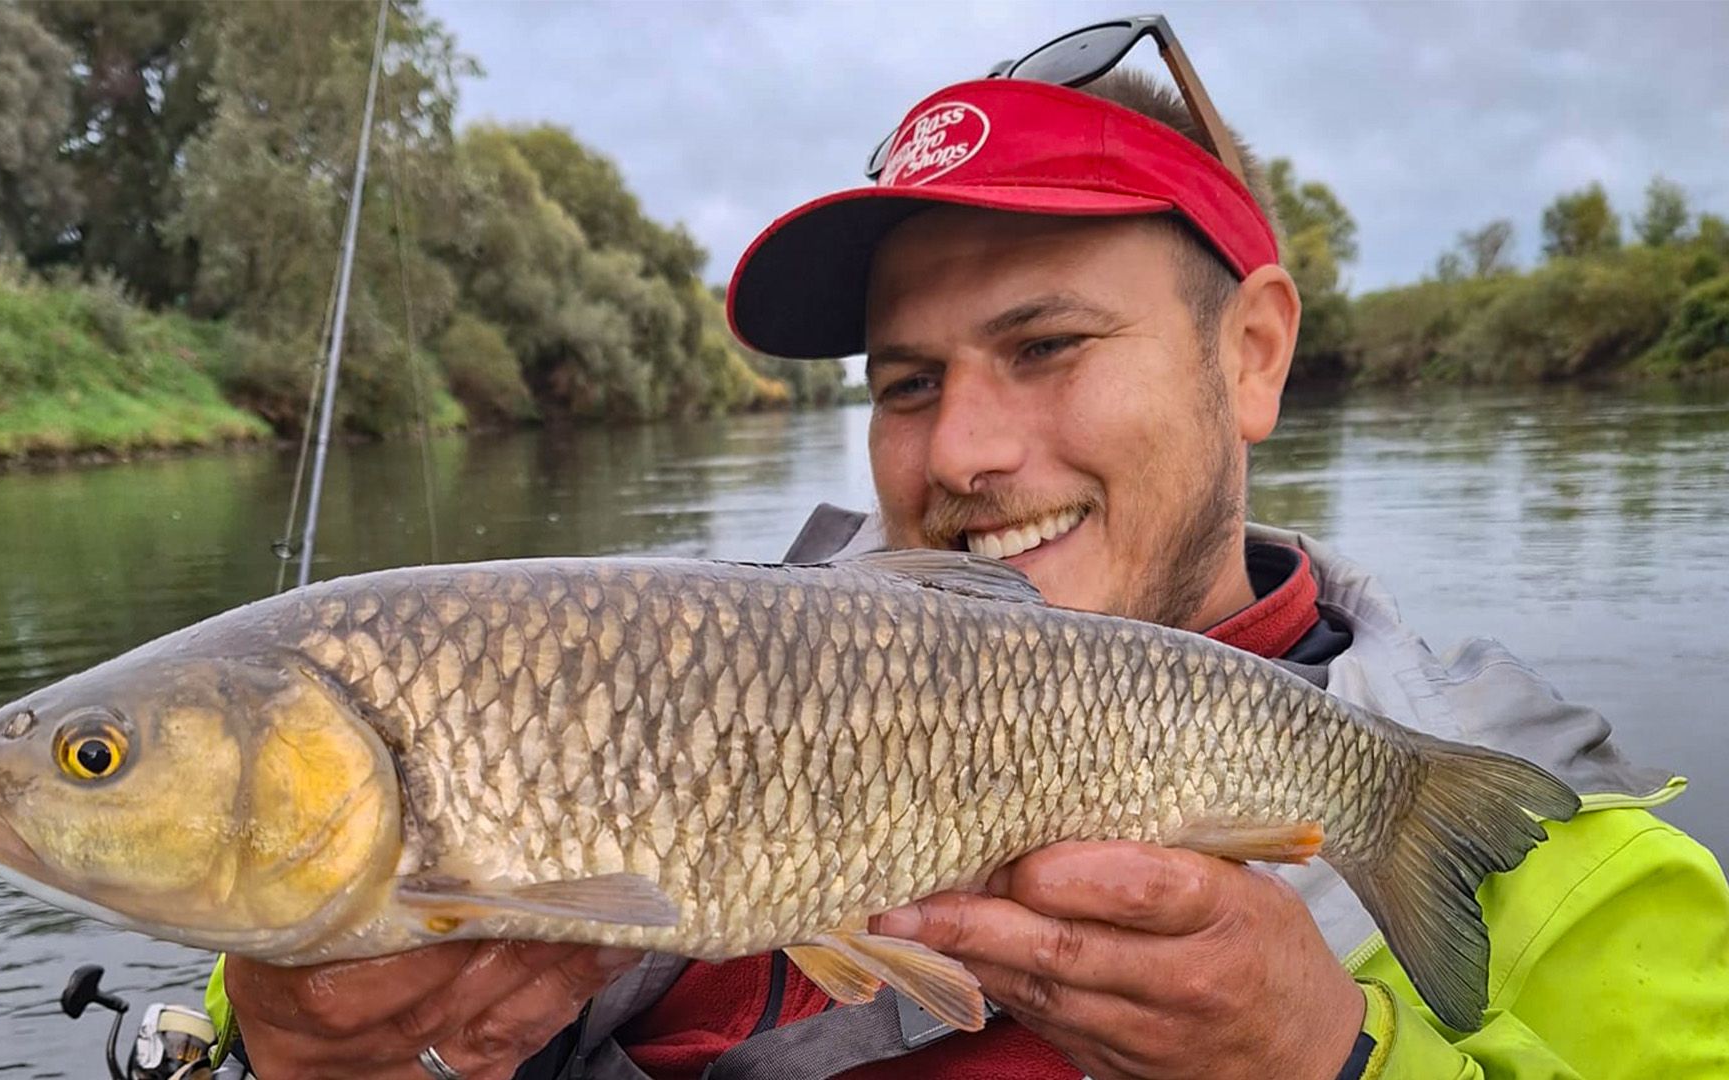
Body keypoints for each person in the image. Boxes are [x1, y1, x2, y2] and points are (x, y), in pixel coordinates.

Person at [204, 16, 1729, 1080]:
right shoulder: (613, 724)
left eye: (1049, 343)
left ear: (1254, 354)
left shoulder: (1583, 887)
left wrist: (1328, 1064)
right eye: (907, 384)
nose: (963, 452)